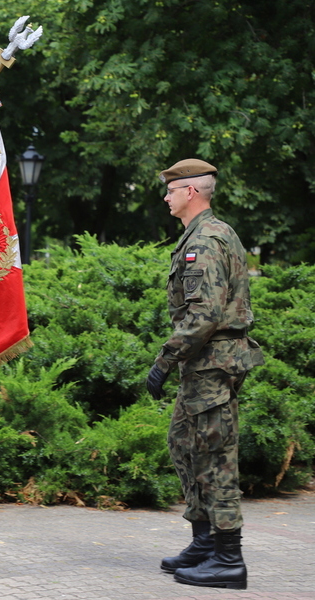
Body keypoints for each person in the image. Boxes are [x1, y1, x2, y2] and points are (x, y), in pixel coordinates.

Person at [146, 159, 264, 590]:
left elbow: (204, 315)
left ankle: (229, 558)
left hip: (212, 364)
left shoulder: (208, 240)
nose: (166, 197)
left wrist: (165, 360)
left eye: (172, 190)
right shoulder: (200, 236)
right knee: (184, 444)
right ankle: (206, 540)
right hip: (204, 365)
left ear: (191, 192)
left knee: (215, 457)